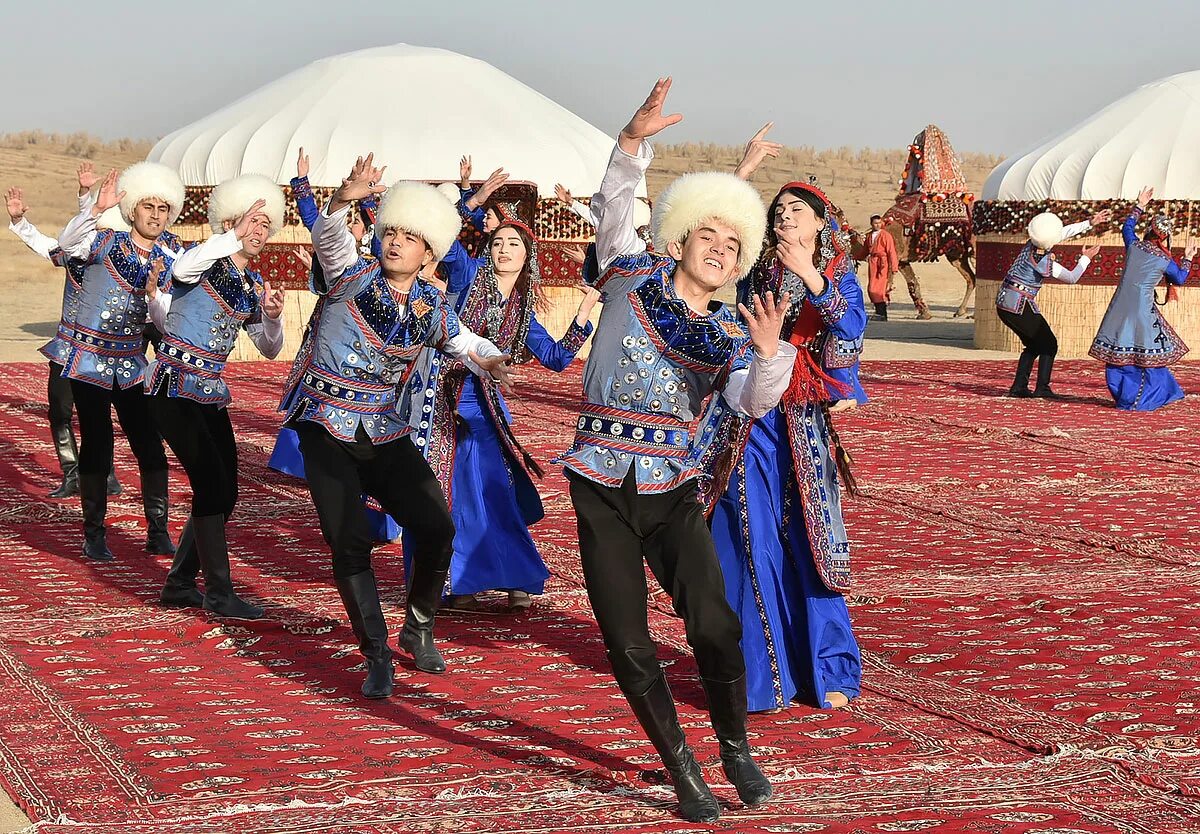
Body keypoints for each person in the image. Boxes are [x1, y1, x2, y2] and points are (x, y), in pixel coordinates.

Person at [559, 79, 796, 823]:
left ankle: (734, 747)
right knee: (627, 642)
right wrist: (631, 143)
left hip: (673, 490)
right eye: (709, 237)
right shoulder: (628, 273)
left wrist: (768, 355)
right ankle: (681, 767)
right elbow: (614, 203)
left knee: (716, 626)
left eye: (734, 245)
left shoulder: (732, 335)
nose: (721, 251)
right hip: (598, 483)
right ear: (676, 239)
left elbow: (751, 405)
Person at [280, 153, 513, 699]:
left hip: (384, 430)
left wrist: (490, 356)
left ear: (429, 253)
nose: (395, 243)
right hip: (324, 424)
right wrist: (340, 200)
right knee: (350, 540)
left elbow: (461, 340)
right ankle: (376, 651)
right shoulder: (351, 275)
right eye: (391, 233)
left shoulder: (431, 303)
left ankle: (419, 624)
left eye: (410, 238)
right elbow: (331, 238)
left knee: (437, 527)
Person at [695, 163, 869, 715]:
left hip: (802, 426)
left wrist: (814, 279)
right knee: (749, 536)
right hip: (750, 417)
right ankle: (757, 674)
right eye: (779, 210)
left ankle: (828, 668)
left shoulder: (836, 275)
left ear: (820, 223)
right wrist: (742, 174)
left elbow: (851, 329)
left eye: (797, 209)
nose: (784, 216)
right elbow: (713, 243)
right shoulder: (757, 273)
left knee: (812, 546)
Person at [413, 194, 599, 613]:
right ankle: (461, 580)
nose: (503, 249)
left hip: (487, 407)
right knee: (456, 494)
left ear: (526, 255)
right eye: (498, 242)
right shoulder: (466, 276)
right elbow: (449, 244)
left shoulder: (524, 311)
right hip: (444, 397)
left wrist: (586, 309)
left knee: (495, 492)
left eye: (514, 244)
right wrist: (471, 201)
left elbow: (556, 358)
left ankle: (511, 574)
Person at [146, 175, 287, 617]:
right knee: (209, 483)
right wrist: (229, 235)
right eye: (252, 220)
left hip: (210, 392)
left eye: (266, 223)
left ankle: (180, 582)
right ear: (229, 221)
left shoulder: (253, 282)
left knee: (226, 492)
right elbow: (181, 270)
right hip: (171, 385)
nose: (259, 229)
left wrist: (272, 318)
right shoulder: (203, 260)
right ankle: (220, 593)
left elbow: (268, 348)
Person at [265, 148, 398, 542]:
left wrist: (367, 199)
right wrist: (313, 188)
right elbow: (319, 226)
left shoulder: (383, 255)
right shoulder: (345, 258)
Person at [56, 163, 186, 561]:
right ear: (133, 210)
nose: (156, 215)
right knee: (98, 444)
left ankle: (158, 531)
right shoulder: (105, 241)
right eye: (149, 206)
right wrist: (94, 209)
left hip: (132, 360)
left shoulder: (174, 253)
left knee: (150, 445)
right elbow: (66, 245)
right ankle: (94, 534)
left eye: (164, 208)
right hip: (89, 358)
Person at [6, 168, 123, 498]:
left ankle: (105, 471)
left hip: (101, 348)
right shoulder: (73, 254)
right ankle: (72, 474)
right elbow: (50, 245)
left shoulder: (120, 257)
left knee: (97, 414)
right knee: (59, 411)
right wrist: (19, 223)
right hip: (67, 345)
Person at [1090, 187, 1195, 410]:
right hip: (1142, 308)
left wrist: (1140, 205)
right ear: (1165, 237)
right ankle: (1144, 398)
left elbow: (1126, 227)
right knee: (1145, 351)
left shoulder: (1134, 245)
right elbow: (1180, 278)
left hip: (1119, 305)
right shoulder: (1163, 259)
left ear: (1148, 231)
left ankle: (1124, 396)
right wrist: (1187, 258)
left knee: (1118, 348)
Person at [995, 209, 1109, 397]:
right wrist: (1086, 258)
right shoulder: (1044, 262)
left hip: (1005, 303)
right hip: (1019, 306)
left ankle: (1019, 387)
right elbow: (1072, 277)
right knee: (1049, 344)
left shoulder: (1030, 245)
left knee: (1033, 345)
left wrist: (1089, 222)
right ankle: (1042, 388)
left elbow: (1059, 233)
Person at [863, 215, 898, 320]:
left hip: (882, 264)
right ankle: (879, 312)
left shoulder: (886, 235)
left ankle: (882, 314)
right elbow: (865, 250)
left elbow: (891, 251)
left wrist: (894, 266)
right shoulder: (869, 236)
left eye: (879, 223)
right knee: (871, 288)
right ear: (871, 224)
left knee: (878, 288)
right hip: (873, 263)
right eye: (875, 223)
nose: (878, 225)